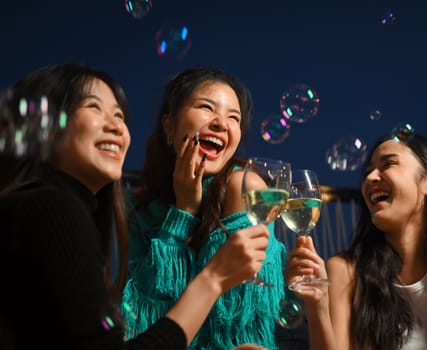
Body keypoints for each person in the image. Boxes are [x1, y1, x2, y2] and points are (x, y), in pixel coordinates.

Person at [0, 63, 271, 350]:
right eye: (94, 107)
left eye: (119, 115)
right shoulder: (51, 207)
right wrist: (212, 278)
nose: (117, 125)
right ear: (44, 126)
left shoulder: (49, 208)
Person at [285, 133, 427, 349]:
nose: (370, 177)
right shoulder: (346, 272)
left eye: (388, 164)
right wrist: (317, 306)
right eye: (368, 171)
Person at [121, 66, 287, 349]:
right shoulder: (136, 206)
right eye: (206, 108)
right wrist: (184, 210)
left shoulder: (245, 188)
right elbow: (144, 326)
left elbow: (235, 330)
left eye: (233, 118)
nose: (221, 123)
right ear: (169, 126)